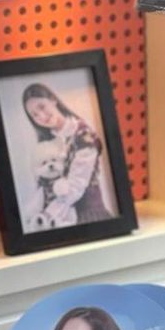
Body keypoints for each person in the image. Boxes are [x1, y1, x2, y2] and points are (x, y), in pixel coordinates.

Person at [21, 84, 111, 229]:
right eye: (35, 115)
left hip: (87, 217)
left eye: (42, 107)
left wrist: (46, 216)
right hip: (57, 220)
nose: (41, 117)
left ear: (53, 100)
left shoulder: (83, 135)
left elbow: (75, 187)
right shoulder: (48, 142)